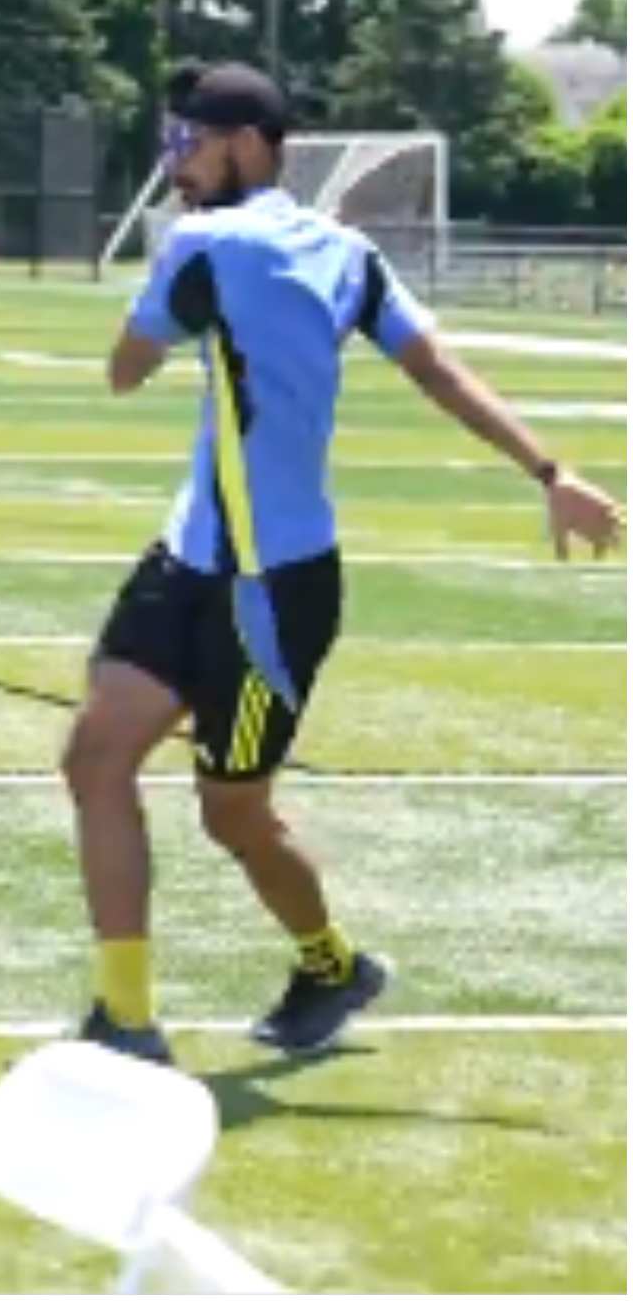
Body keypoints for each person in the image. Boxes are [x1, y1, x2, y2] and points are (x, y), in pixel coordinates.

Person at [68, 63, 623, 1066]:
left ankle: (332, 965)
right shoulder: (347, 255)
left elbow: (121, 371)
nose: (177, 165)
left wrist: (170, 309)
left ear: (245, 142)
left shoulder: (205, 243)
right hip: (192, 555)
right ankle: (125, 1016)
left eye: (189, 144)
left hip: (269, 593)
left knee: (233, 814)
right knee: (96, 756)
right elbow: (436, 369)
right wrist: (552, 472)